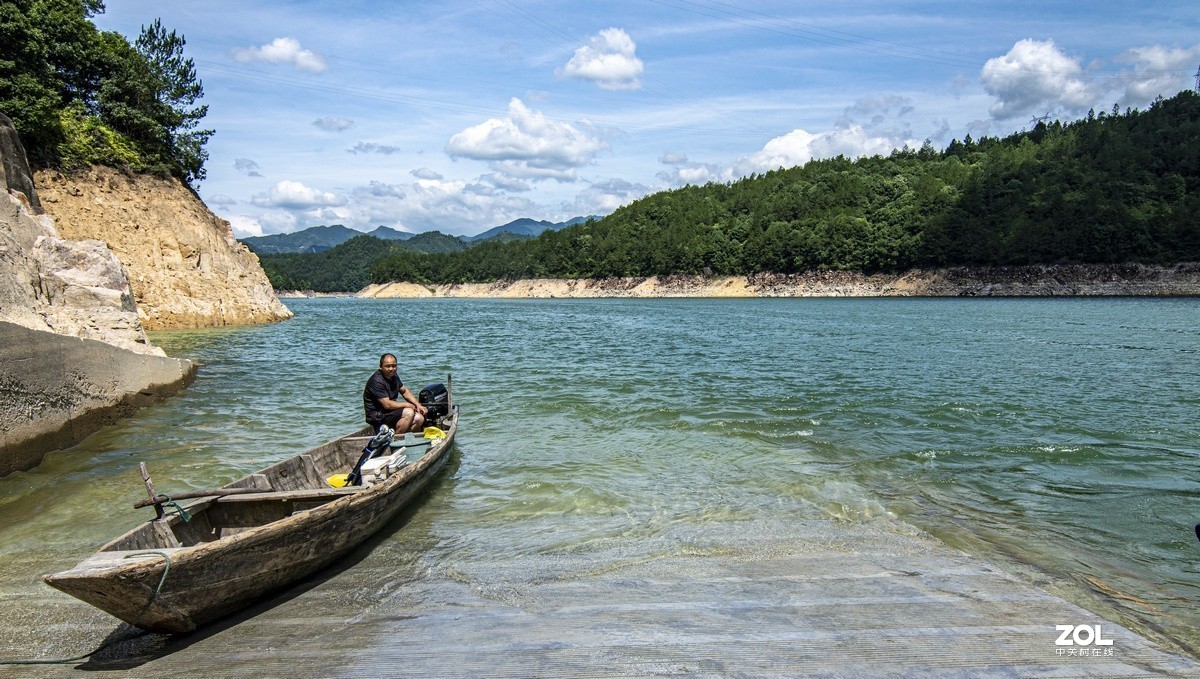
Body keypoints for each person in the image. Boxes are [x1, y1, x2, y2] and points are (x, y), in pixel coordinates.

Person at [362, 353, 427, 434]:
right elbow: (387, 404)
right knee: (409, 412)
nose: (391, 369)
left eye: (394, 366)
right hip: (378, 416)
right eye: (388, 366)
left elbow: (404, 391)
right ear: (380, 366)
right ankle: (395, 440)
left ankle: (407, 441)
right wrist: (407, 405)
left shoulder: (393, 376)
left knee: (419, 419)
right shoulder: (377, 381)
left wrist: (418, 405)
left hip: (389, 413)